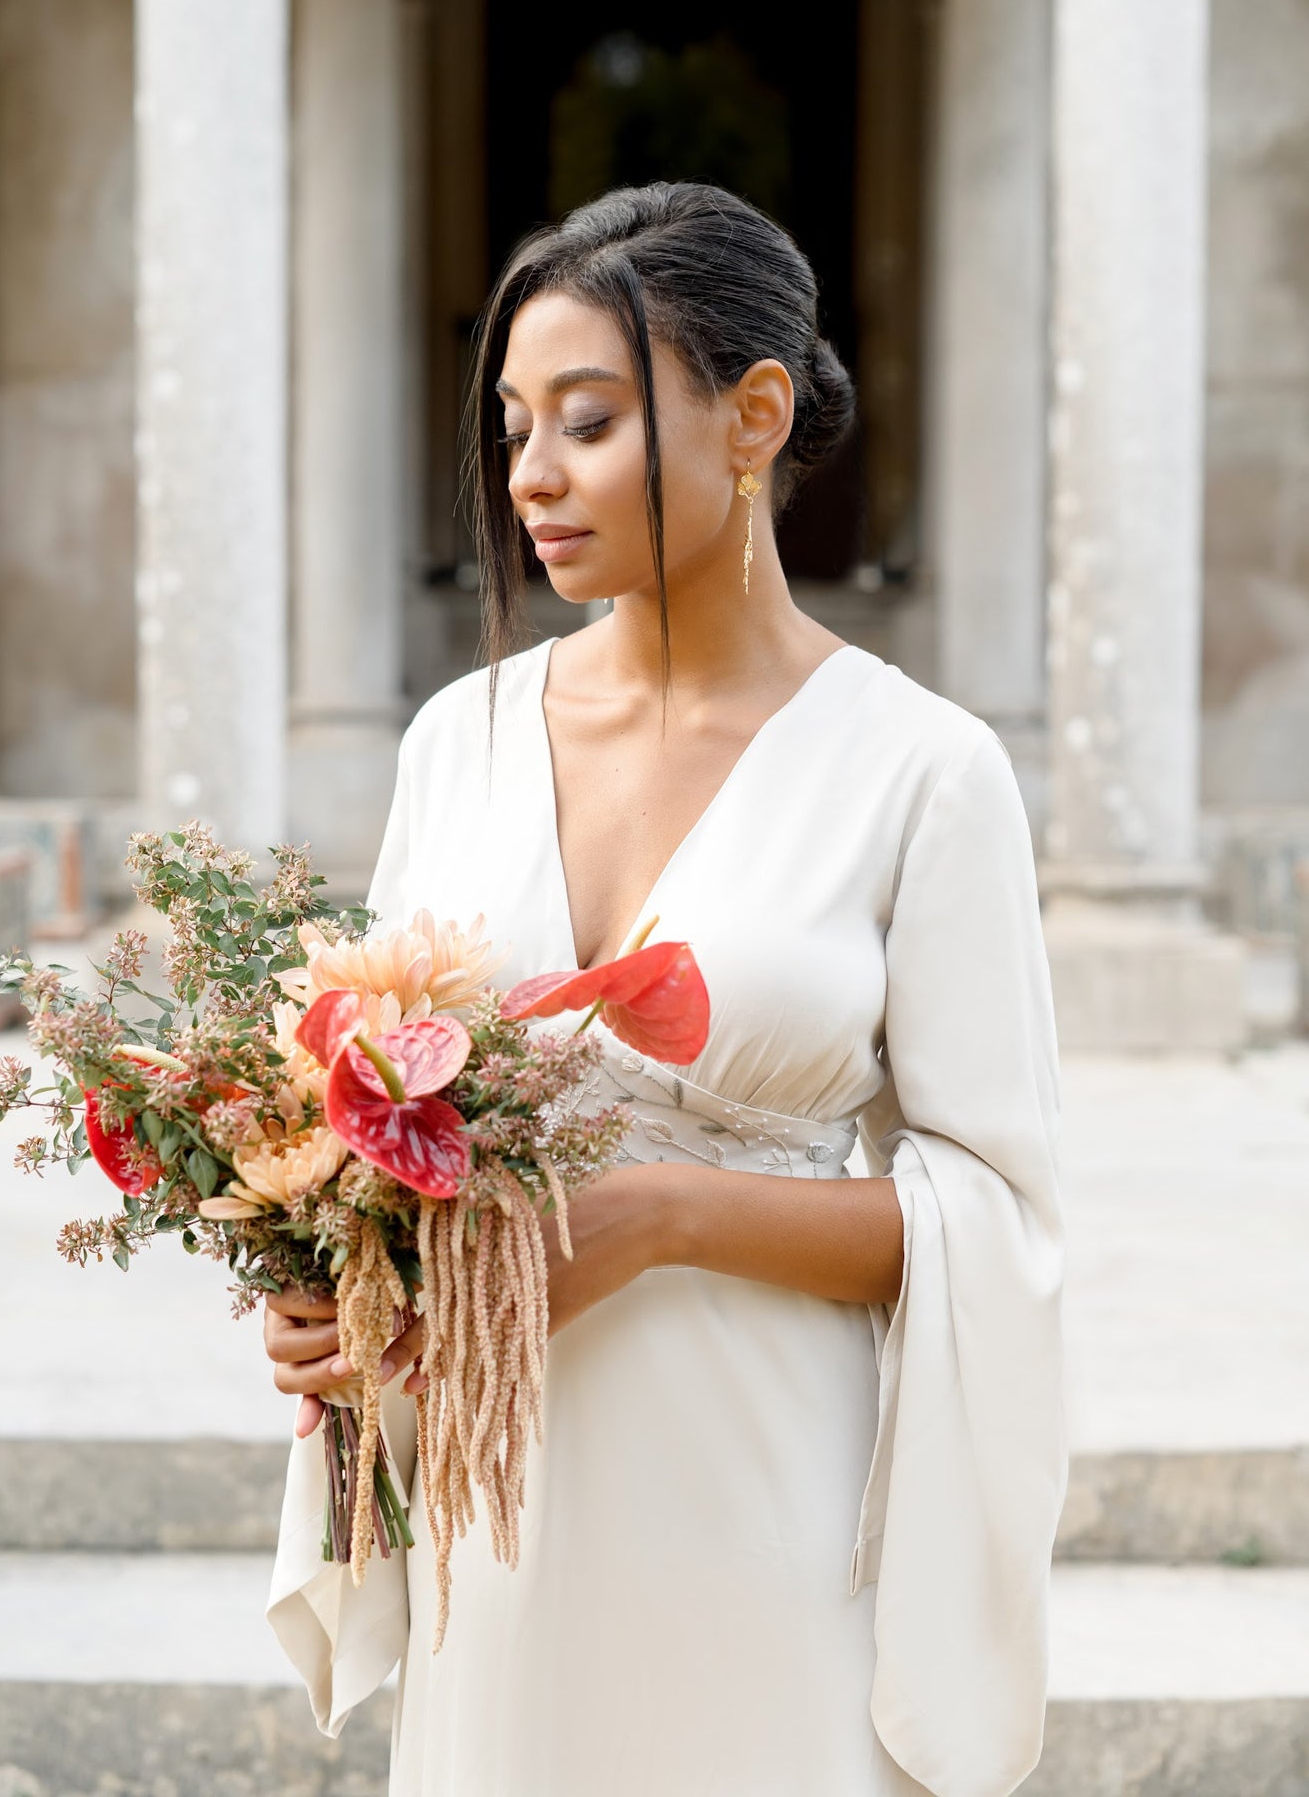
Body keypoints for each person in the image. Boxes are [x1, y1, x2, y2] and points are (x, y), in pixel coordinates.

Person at [263, 181, 1068, 1797]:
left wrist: (667, 1214)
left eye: (588, 421)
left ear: (752, 417)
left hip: (766, 1501)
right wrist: (327, 1274)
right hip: (505, 1501)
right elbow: (363, 1103)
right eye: (512, 427)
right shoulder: (457, 741)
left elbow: (999, 1218)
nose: (531, 478)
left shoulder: (923, 771)